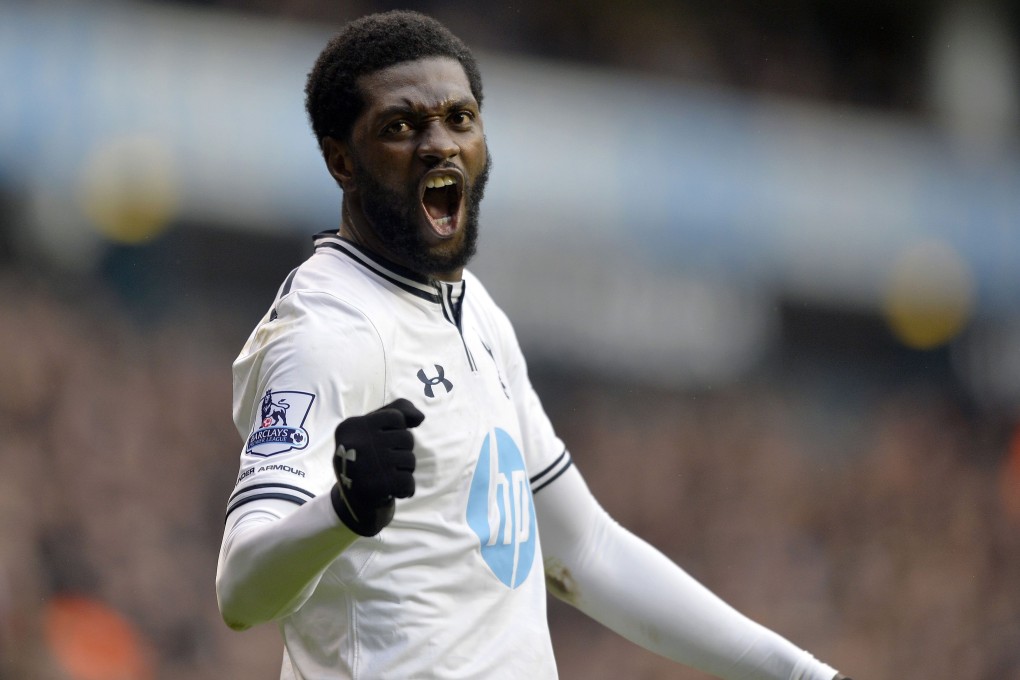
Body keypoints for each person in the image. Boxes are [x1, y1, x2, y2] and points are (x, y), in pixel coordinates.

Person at [215, 10, 851, 680]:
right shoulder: (329, 333)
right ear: (342, 159)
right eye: (401, 126)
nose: (440, 145)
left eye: (459, 118)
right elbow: (240, 590)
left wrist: (800, 673)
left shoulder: (476, 314)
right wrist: (341, 510)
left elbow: (585, 551)